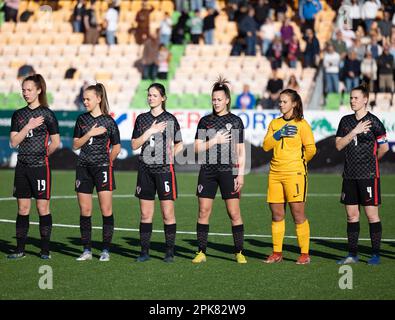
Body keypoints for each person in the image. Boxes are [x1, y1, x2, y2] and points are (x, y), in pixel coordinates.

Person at [192, 77, 247, 264]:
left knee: (234, 212)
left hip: (228, 171)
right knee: (203, 211)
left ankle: (239, 252)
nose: (216, 102)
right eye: (213, 99)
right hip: (207, 171)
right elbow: (196, 148)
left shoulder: (236, 121)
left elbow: (241, 150)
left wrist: (240, 174)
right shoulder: (205, 121)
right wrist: (215, 140)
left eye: (219, 99)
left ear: (227, 100)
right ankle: (201, 252)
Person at [8, 74, 60, 260]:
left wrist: (43, 155)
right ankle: (20, 249)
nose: (25, 93)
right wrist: (28, 126)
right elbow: (14, 142)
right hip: (22, 167)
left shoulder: (47, 114)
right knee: (23, 209)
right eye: (23, 90)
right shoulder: (19, 115)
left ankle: (45, 249)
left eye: (29, 90)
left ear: (39, 90)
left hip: (40, 167)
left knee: (42, 208)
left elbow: (55, 142)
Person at [335, 84, 389, 266]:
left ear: (365, 99)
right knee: (351, 216)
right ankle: (352, 254)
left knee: (372, 216)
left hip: (368, 175)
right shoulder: (345, 121)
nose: (352, 101)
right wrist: (354, 132)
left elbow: (384, 147)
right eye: (351, 98)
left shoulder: (374, 121)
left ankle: (375, 254)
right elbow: (338, 145)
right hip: (349, 175)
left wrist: (372, 162)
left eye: (356, 98)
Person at [262, 89, 316, 265]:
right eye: (280, 101)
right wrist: (279, 134)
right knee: (277, 214)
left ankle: (304, 254)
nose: (281, 104)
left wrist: (300, 164)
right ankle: (277, 252)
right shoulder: (275, 124)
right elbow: (266, 146)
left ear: (294, 104)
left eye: (285, 102)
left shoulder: (302, 124)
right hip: (275, 174)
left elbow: (311, 149)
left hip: (295, 173)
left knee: (298, 214)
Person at [131, 83, 183, 263]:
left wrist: (170, 155)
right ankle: (144, 252)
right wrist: (150, 131)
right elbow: (134, 145)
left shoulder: (170, 119)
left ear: (163, 98)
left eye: (154, 95)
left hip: (164, 170)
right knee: (145, 214)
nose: (151, 98)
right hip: (145, 169)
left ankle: (169, 252)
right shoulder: (141, 119)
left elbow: (179, 144)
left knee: (167, 213)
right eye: (149, 95)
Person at [72, 83, 121, 261]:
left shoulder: (109, 121)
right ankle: (86, 250)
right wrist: (90, 133)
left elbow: (117, 146)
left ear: (98, 99)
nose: (85, 102)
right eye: (83, 99)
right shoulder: (81, 120)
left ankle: (105, 250)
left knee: (106, 209)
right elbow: (75, 144)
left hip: (102, 169)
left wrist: (107, 162)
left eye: (88, 99)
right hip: (83, 167)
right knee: (85, 210)